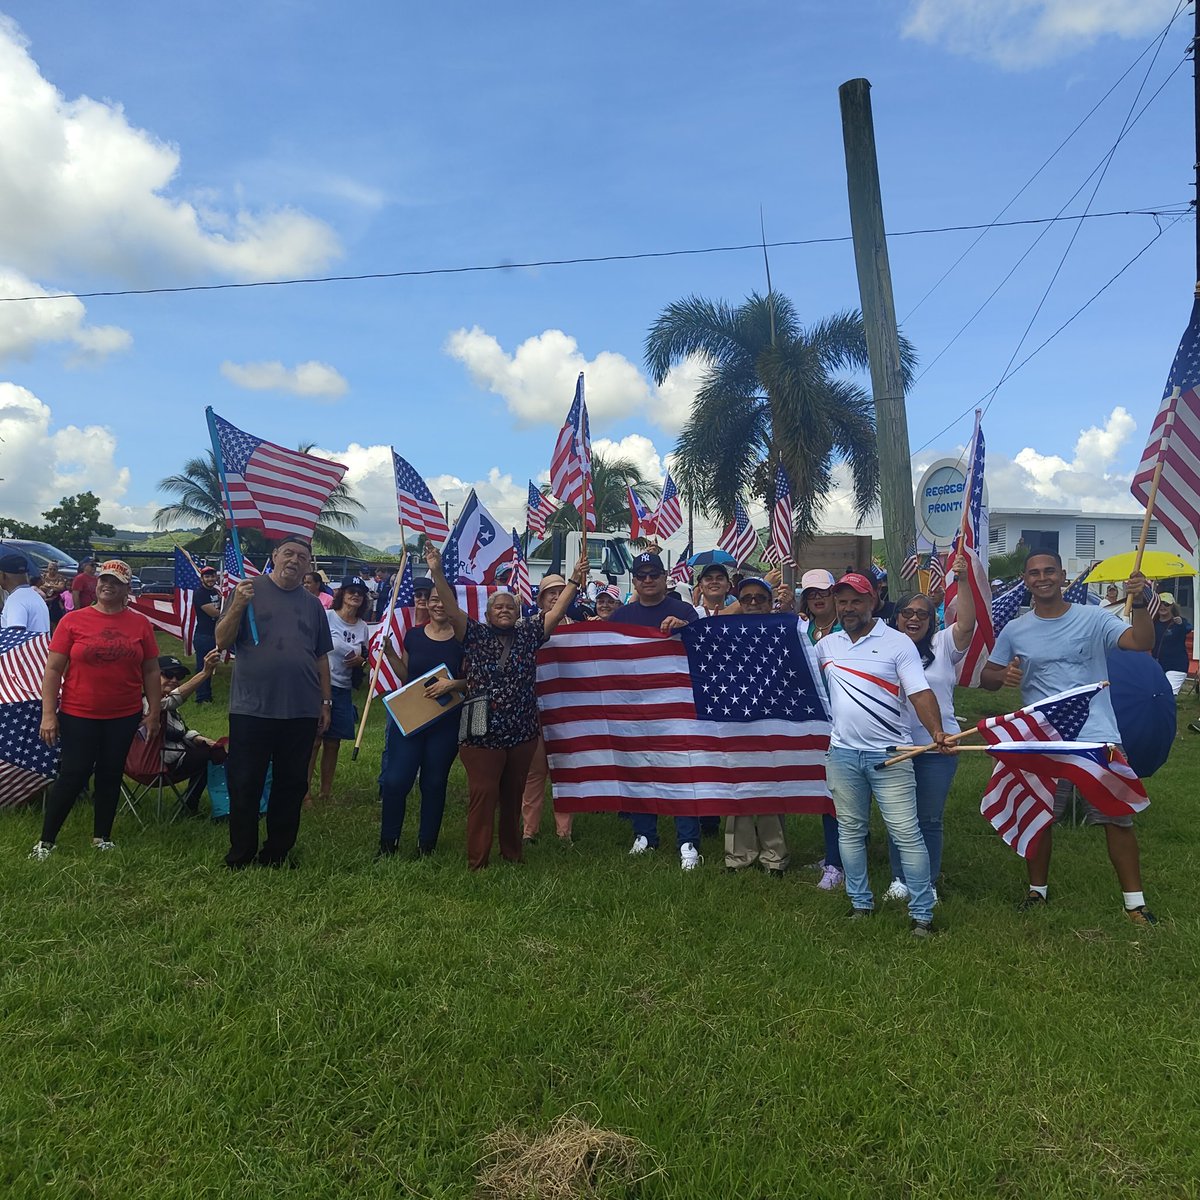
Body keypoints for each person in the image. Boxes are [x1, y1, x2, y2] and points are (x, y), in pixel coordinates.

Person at [981, 551, 1157, 924]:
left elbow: (1140, 642)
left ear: (1063, 576)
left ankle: (1135, 904)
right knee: (1039, 815)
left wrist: (1139, 601)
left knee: (1116, 816)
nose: (1041, 578)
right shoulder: (1015, 630)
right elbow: (987, 678)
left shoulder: (1094, 619)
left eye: (1049, 571)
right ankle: (1037, 893)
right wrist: (1003, 677)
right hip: (1043, 738)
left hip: (1096, 736)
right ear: (1025, 580)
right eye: (1033, 573)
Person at [425, 542, 583, 869]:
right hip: (481, 733)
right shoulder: (474, 634)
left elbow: (554, 614)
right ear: (486, 613)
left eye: (509, 606)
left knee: (512, 797)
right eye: (497, 606)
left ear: (518, 612)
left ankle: (512, 855)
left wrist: (574, 581)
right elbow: (452, 609)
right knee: (483, 796)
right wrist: (437, 572)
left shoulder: (528, 634)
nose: (504, 609)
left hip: (521, 731)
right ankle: (477, 861)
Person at [817, 572, 953, 936]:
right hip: (843, 754)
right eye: (842, 601)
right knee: (850, 832)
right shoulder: (827, 646)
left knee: (907, 833)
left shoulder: (897, 643)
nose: (848, 608)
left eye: (856, 600)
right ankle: (860, 903)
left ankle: (922, 913)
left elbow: (920, 693)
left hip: (890, 755)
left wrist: (937, 731)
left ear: (873, 602)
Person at [216, 536, 333, 869]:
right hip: (252, 709)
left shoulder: (312, 605)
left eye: (302, 557)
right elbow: (223, 641)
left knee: (292, 783)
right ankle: (241, 853)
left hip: (300, 709)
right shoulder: (247, 590)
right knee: (245, 782)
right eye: (288, 553)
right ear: (274, 556)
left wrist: (325, 701)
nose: (294, 560)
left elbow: (321, 657)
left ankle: (277, 853)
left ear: (309, 566)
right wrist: (238, 604)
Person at [31, 560, 160, 859]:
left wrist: (153, 711)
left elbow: (151, 670)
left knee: (111, 773)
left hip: (124, 714)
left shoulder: (139, 624)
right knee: (73, 774)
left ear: (127, 588)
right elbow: (53, 670)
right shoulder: (73, 621)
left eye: (115, 581)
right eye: (103, 580)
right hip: (79, 712)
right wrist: (48, 714)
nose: (107, 585)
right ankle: (46, 841)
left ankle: (102, 836)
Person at [882, 553, 976, 904]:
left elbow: (966, 622)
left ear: (931, 620)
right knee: (899, 816)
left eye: (923, 614)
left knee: (929, 818)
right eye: (908, 612)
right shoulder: (883, 648)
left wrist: (962, 580)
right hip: (897, 745)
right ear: (896, 617)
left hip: (940, 746)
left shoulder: (944, 644)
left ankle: (928, 882)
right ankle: (900, 879)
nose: (915, 619)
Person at [615, 551, 704, 868]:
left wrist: (685, 628)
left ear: (666, 577)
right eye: (642, 575)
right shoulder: (622, 616)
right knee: (640, 769)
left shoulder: (684, 610)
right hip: (636, 707)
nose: (648, 580)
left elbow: (704, 650)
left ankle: (688, 841)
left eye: (654, 574)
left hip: (677, 708)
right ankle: (644, 835)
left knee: (682, 773)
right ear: (635, 580)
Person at [377, 584, 467, 858]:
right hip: (411, 719)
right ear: (426, 603)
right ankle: (387, 844)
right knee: (395, 781)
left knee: (433, 782)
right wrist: (391, 652)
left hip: (445, 722)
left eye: (444, 600)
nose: (439, 605)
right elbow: (406, 676)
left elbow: (478, 679)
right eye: (434, 600)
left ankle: (426, 845)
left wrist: (453, 685)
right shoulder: (414, 636)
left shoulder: (464, 639)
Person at [721, 577, 790, 876]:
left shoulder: (785, 629)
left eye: (759, 598)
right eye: (745, 598)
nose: (752, 603)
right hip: (736, 719)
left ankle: (774, 856)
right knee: (738, 788)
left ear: (770, 601)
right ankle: (738, 856)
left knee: (770, 788)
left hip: (773, 720)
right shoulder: (724, 632)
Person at [797, 569, 845, 890]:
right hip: (813, 719)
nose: (817, 598)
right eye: (811, 594)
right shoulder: (802, 627)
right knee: (825, 789)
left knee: (838, 793)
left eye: (823, 593)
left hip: (844, 718)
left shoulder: (847, 628)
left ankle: (838, 863)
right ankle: (837, 851)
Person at [521, 574, 576, 845]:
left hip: (567, 712)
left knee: (565, 772)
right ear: (540, 599)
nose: (555, 596)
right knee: (534, 772)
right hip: (534, 707)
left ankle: (564, 832)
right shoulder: (527, 626)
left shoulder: (578, 629)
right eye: (549, 593)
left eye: (560, 591)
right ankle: (529, 830)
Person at [307, 576, 372, 805]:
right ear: (342, 594)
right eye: (351, 591)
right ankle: (305, 792)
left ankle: (326, 792)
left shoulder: (363, 627)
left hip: (343, 689)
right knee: (314, 740)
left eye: (360, 593)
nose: (356, 595)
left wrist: (361, 661)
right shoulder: (327, 617)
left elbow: (364, 655)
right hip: (319, 685)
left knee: (333, 743)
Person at [152, 653, 227, 814]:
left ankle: (191, 803)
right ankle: (193, 806)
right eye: (168, 674)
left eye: (178, 676)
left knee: (212, 750)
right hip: (156, 764)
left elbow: (180, 730)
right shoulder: (148, 703)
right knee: (213, 755)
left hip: (166, 759)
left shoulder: (166, 706)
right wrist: (205, 672)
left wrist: (200, 739)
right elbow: (171, 701)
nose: (174, 679)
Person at [191, 564, 221, 704]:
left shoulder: (216, 592)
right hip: (203, 635)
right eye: (207, 576)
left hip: (214, 634)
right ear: (202, 578)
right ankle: (201, 698)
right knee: (203, 667)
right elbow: (214, 612)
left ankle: (207, 696)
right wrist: (231, 612)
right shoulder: (200, 594)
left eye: (212, 576)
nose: (210, 579)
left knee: (211, 666)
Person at [1152, 593, 1191, 696]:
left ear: (1172, 606)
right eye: (1160, 603)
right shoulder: (1153, 623)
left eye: (1166, 604)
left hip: (1176, 666)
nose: (1163, 606)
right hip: (1157, 666)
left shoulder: (1178, 622)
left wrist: (1181, 624)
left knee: (1168, 695)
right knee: (1155, 696)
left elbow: (1188, 628)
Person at [0, 553, 50, 633]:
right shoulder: (35, 595)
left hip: (24, 645)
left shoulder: (16, 600)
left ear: (3, 575)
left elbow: (16, 635)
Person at [37, 562, 69, 629]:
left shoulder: (60, 578)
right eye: (50, 569)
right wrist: (54, 587)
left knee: (54, 621)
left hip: (56, 601)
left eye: (54, 569)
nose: (52, 571)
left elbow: (61, 588)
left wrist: (48, 586)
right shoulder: (43, 576)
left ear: (57, 569)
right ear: (47, 569)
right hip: (43, 600)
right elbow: (40, 587)